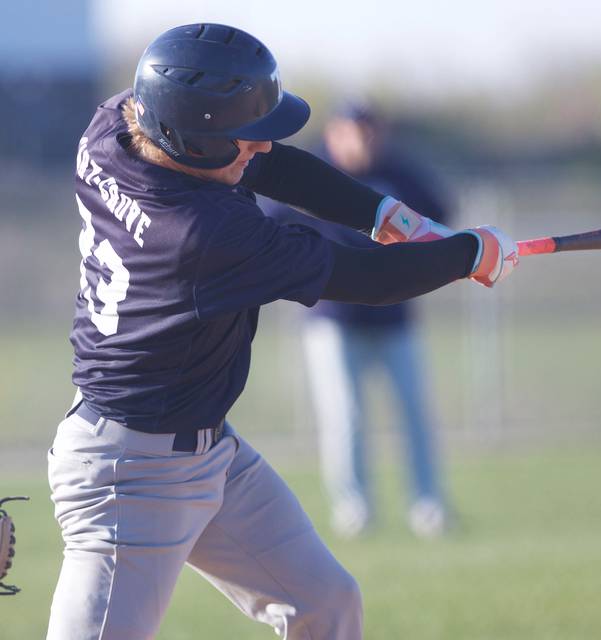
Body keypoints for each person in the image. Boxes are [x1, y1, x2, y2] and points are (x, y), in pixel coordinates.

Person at [46, 23, 518, 640]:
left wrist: (383, 212)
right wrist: (468, 254)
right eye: (245, 134)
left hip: (208, 451)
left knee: (325, 605)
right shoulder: (204, 235)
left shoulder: (113, 129)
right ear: (192, 139)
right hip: (130, 475)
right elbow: (367, 279)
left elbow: (274, 167)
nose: (262, 145)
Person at [263, 102, 452, 539]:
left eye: (369, 131)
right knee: (344, 416)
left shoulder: (398, 174)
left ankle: (428, 505)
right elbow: (269, 220)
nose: (362, 140)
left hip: (395, 317)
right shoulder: (310, 171)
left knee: (414, 413)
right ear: (334, 133)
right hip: (332, 318)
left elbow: (440, 214)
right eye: (353, 131)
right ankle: (354, 508)